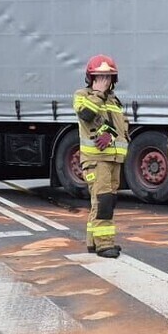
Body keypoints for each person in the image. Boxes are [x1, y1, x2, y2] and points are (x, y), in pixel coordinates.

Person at [74, 55, 128, 258]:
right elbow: (86, 115)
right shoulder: (83, 95)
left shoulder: (114, 100)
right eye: (100, 76)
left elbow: (121, 126)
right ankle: (104, 244)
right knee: (103, 201)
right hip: (96, 159)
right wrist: (98, 93)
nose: (105, 80)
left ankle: (93, 242)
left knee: (105, 201)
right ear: (91, 77)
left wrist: (110, 134)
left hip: (114, 159)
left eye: (109, 76)